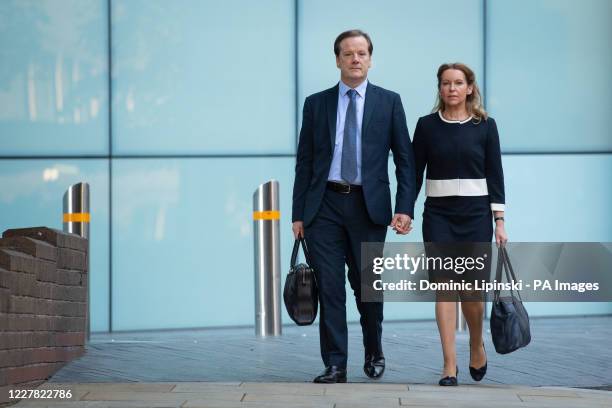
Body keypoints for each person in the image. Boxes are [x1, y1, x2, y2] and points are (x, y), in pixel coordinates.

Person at [292, 29, 416, 383]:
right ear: (338, 60)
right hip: (324, 207)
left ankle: (374, 349)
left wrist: (405, 207)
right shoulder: (316, 104)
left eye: (361, 53)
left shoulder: (389, 102)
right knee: (330, 288)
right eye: (348, 54)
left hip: (368, 207)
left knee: (367, 289)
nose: (355, 59)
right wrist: (298, 214)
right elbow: (304, 162)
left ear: (370, 58)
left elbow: (405, 161)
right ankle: (335, 363)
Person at [412, 62, 508, 386]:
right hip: (438, 215)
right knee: (445, 288)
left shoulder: (486, 126)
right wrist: (404, 211)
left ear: (469, 88)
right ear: (439, 89)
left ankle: (476, 342)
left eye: (457, 83)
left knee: (470, 291)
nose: (451, 88)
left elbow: (495, 174)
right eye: (445, 83)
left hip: (476, 215)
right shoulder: (426, 126)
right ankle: (449, 365)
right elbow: (413, 173)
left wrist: (500, 221)